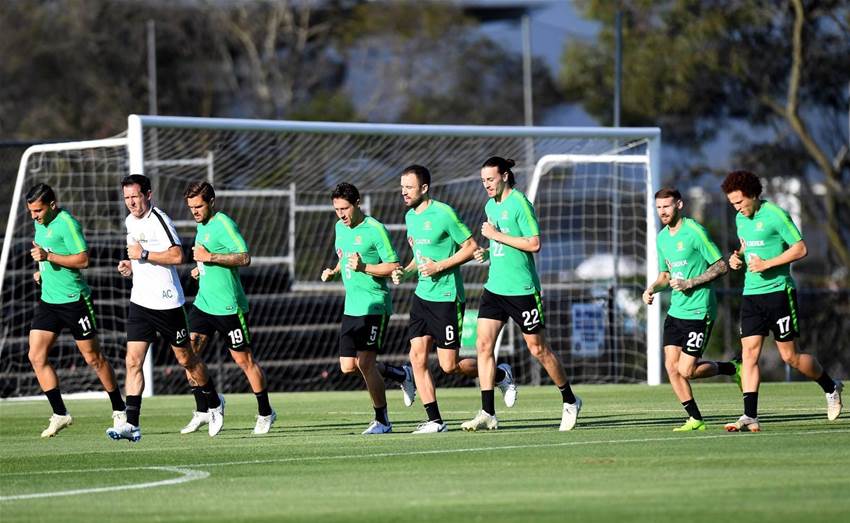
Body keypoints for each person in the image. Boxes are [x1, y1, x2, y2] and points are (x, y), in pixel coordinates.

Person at [392, 164, 513, 434]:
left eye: (409, 187)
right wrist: (405, 270)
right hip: (421, 297)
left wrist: (440, 266)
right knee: (417, 358)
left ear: (424, 188)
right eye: (402, 187)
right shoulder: (410, 216)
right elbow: (420, 258)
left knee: (449, 366)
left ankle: (501, 374)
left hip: (447, 298)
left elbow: (471, 247)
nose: (404, 192)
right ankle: (435, 420)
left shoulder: (444, 213)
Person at [461, 157, 577, 432]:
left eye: (490, 179)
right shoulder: (491, 205)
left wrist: (495, 236)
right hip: (494, 288)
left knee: (538, 349)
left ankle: (570, 400)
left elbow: (534, 243)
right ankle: (488, 412)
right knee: (483, 346)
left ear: (504, 176)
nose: (486, 185)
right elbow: (501, 243)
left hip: (522, 290)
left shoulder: (520, 203)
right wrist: (486, 251)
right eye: (483, 181)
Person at [721, 170, 842, 432]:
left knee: (791, 357)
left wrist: (767, 263)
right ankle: (749, 416)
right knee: (749, 355)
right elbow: (746, 246)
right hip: (751, 295)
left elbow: (800, 248)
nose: (738, 208)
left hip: (779, 293)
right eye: (733, 204)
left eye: (740, 202)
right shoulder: (740, 219)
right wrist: (737, 258)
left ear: (753, 195)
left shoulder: (775, 215)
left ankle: (830, 387)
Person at [107, 174, 223, 442]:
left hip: (168, 303)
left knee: (187, 360)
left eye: (135, 196)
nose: (131, 202)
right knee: (132, 361)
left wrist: (143, 255)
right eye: (126, 198)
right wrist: (131, 266)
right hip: (141, 303)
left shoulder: (159, 219)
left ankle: (215, 403)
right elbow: (137, 257)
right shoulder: (129, 221)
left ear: (148, 194)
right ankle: (132, 423)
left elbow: (178, 255)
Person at [24, 183, 126, 438]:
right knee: (35, 356)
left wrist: (48, 258)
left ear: (52, 205)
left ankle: (119, 409)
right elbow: (48, 256)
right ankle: (60, 414)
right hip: (49, 301)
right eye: (31, 211)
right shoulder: (40, 223)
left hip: (74, 300)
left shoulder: (67, 223)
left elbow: (83, 260)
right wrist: (42, 271)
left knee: (93, 358)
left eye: (38, 210)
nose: (34, 216)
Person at [642, 187, 742, 432]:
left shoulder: (694, 231)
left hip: (699, 310)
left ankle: (732, 368)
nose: (662, 212)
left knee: (686, 370)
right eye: (658, 207)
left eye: (666, 206)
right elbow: (666, 274)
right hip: (676, 311)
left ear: (679, 205)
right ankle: (695, 418)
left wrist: (690, 283)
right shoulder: (662, 237)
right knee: (671, 367)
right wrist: (653, 287)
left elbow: (720, 266)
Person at [182, 181, 276, 435]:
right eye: (191, 207)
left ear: (211, 201)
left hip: (229, 308)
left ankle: (266, 412)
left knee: (243, 361)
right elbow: (207, 258)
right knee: (187, 356)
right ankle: (206, 409)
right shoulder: (202, 226)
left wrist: (209, 258)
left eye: (199, 206)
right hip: (203, 305)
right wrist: (201, 269)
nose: (195, 211)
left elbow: (244, 256)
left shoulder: (224, 223)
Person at [320, 182, 415, 434]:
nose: (341, 214)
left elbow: (394, 265)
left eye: (345, 208)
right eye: (337, 209)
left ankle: (383, 421)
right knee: (348, 366)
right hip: (351, 307)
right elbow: (345, 257)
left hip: (375, 305)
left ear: (357, 203)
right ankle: (401, 374)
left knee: (365, 363)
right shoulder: (340, 227)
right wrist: (334, 271)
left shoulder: (375, 229)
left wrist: (365, 268)